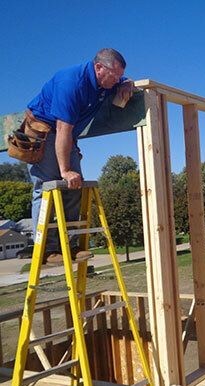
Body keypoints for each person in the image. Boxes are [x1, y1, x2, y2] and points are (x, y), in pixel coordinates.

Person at [27, 48, 134, 265]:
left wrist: (126, 83)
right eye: (113, 76)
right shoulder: (71, 82)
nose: (115, 80)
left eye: (118, 76)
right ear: (98, 67)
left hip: (66, 136)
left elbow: (121, 79)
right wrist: (65, 170)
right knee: (47, 187)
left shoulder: (107, 79)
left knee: (75, 186)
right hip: (45, 132)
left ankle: (71, 245)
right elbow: (62, 129)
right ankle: (46, 250)